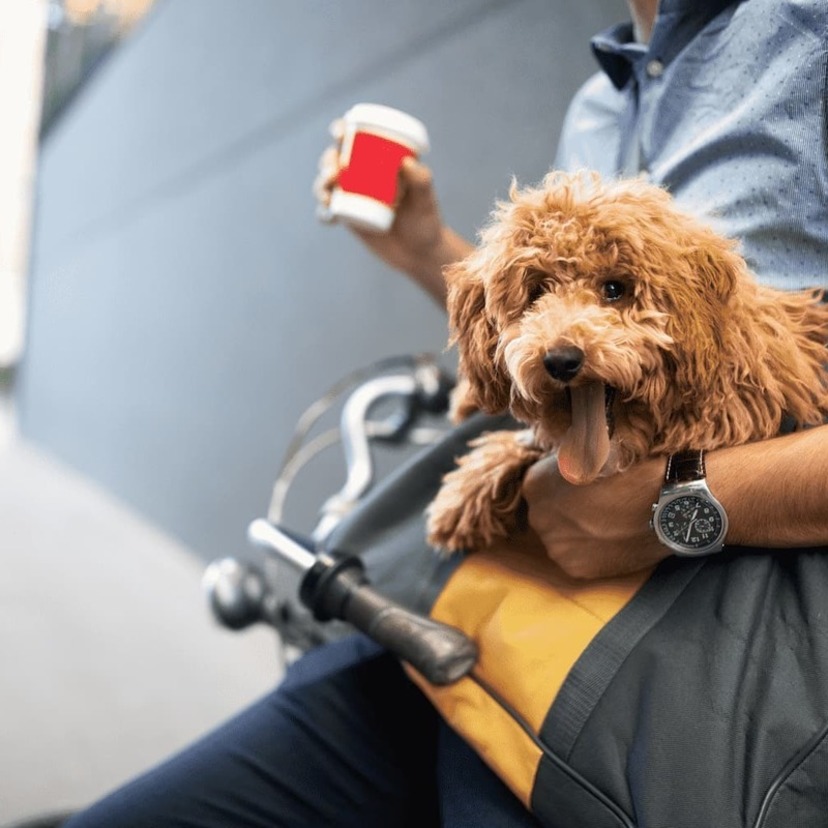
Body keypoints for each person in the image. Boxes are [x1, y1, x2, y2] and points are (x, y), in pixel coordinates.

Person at [64, 1, 828, 826]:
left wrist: (679, 501)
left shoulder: (805, 34)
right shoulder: (600, 102)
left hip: (661, 698)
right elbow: (543, 338)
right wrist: (426, 246)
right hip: (476, 620)